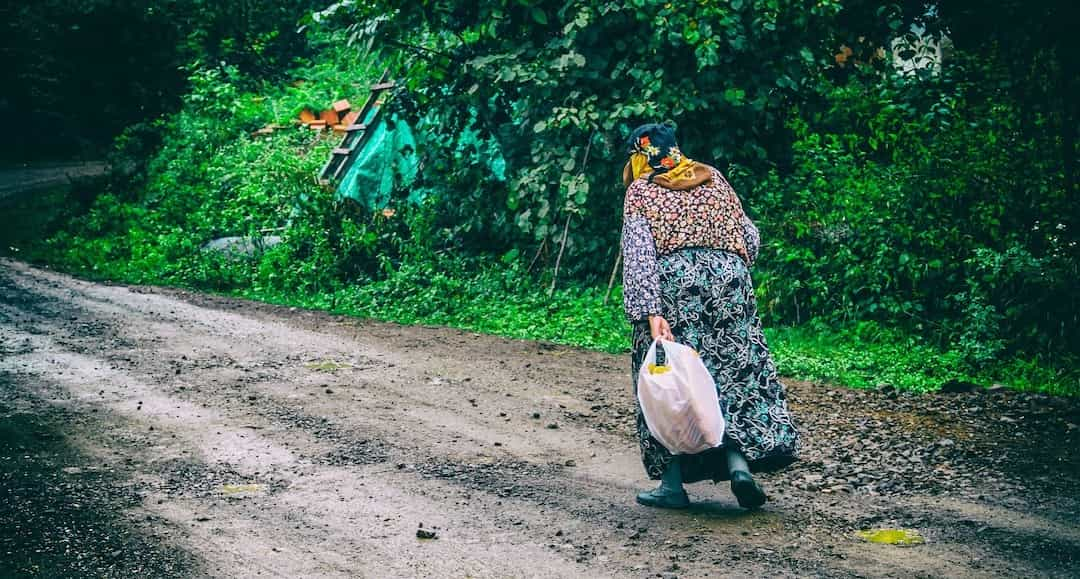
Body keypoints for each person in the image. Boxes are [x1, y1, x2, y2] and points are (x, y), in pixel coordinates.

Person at [621, 122, 800, 510]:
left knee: (667, 380)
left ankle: (672, 485)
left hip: (674, 288)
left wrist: (651, 312)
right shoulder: (713, 177)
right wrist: (723, 265)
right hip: (728, 284)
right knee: (731, 373)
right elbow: (750, 238)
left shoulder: (641, 190)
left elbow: (638, 257)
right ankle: (740, 468)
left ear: (642, 155)